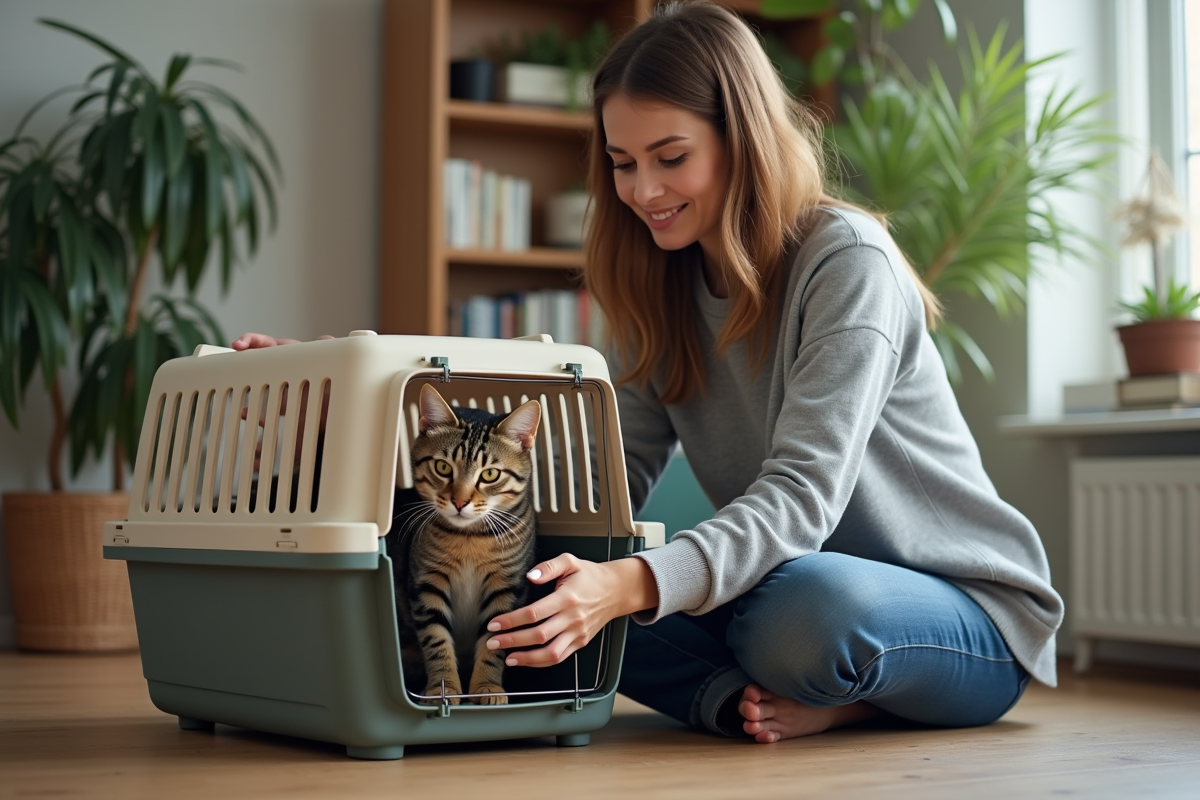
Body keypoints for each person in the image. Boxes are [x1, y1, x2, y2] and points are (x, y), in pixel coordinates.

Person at [235, 0, 1063, 744]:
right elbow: (586, 480)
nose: (643, 190)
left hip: (958, 616)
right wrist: (352, 391)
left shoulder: (846, 262)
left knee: (795, 610)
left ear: (744, 139)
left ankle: (844, 696)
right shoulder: (661, 284)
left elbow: (802, 499)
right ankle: (739, 699)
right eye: (623, 163)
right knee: (537, 582)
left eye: (670, 157)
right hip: (779, 584)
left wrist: (630, 585)